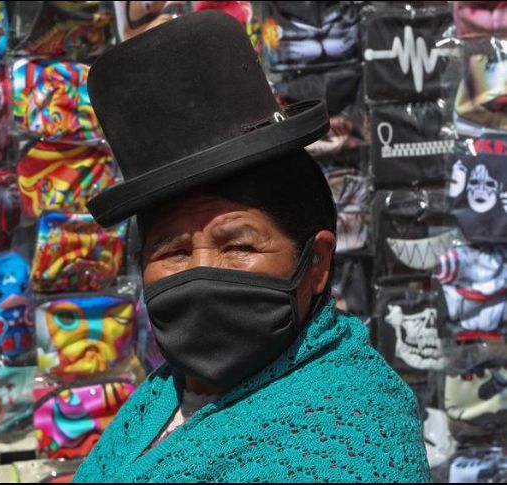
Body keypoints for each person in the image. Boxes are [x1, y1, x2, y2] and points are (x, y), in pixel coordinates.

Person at [73, 11, 431, 483]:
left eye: (238, 245)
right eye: (173, 252)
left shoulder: (352, 431)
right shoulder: (160, 399)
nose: (201, 272)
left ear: (317, 263)